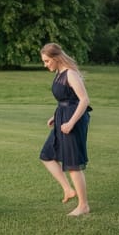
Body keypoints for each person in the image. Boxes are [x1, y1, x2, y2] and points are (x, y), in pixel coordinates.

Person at [39, 43, 92, 218]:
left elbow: (84, 100)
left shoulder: (70, 74)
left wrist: (70, 123)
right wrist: (56, 117)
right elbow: (65, 99)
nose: (45, 64)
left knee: (73, 164)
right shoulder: (58, 73)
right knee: (47, 155)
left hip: (74, 120)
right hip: (62, 117)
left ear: (55, 58)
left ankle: (83, 205)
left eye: (47, 61)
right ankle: (68, 190)